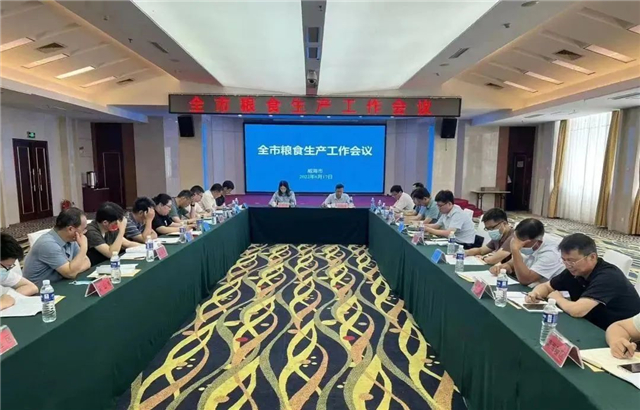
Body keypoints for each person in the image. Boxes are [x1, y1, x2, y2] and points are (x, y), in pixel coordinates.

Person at [526, 233, 640, 330]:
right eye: (564, 260)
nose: (567, 265)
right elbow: (547, 286)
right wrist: (535, 293)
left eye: (572, 261)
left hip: (621, 334)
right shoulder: (574, 271)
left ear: (592, 257)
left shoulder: (608, 276)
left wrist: (557, 299)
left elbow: (577, 311)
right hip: (592, 325)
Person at [23, 207, 91, 287]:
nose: (84, 232)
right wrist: (84, 247)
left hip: (60, 285)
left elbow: (87, 262)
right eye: (83, 229)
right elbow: (70, 273)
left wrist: (74, 270)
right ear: (70, 229)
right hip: (41, 291)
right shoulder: (48, 244)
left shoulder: (70, 239)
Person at [490, 218, 564, 286]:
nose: (520, 246)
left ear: (538, 242)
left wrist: (515, 250)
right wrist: (505, 266)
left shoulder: (552, 253)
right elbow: (517, 261)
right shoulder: (524, 239)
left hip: (553, 291)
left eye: (523, 245)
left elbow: (525, 279)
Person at [85, 202, 136, 266]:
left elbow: (128, 243)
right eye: (116, 223)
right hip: (95, 267)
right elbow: (111, 254)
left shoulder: (109, 228)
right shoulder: (91, 231)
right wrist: (122, 231)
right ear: (105, 222)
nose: (118, 225)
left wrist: (146, 247)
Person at [1, 233, 38, 310]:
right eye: (6, 266)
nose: (7, 269)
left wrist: (11, 297)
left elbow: (31, 287)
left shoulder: (3, 272)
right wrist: (2, 303)